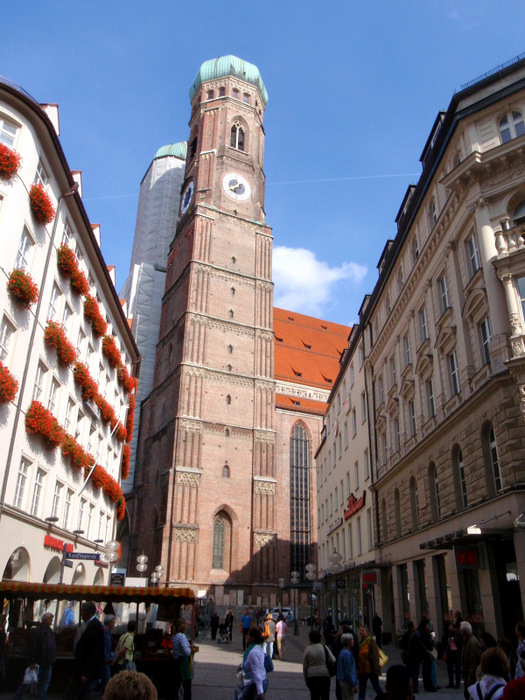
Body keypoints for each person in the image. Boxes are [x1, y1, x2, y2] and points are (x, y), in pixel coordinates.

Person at [64, 601, 105, 700]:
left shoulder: (95, 626)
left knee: (81, 694)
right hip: (81, 669)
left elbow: (94, 652)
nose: (81, 614)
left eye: (82, 611)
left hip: (85, 671)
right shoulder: (88, 625)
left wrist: (87, 673)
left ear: (88, 612)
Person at [15, 612, 55, 699]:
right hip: (39, 661)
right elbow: (34, 647)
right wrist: (32, 661)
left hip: (47, 661)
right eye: (50, 619)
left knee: (44, 683)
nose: (52, 621)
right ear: (46, 620)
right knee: (29, 681)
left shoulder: (49, 631)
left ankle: (41, 697)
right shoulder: (38, 631)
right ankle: (18, 696)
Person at [303, 628, 335, 700]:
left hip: (312, 677)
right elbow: (333, 660)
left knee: (314, 696)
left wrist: (306, 679)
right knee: (325, 696)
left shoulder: (307, 650)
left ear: (310, 639)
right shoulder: (325, 647)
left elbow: (305, 666)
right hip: (324, 676)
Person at [357, 626, 385, 699]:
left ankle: (383, 697)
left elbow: (375, 655)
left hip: (371, 669)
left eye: (363, 630)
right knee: (362, 688)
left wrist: (376, 667)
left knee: (376, 686)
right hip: (362, 670)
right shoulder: (360, 642)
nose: (361, 632)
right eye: (360, 631)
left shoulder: (370, 641)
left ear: (367, 632)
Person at [240, 626, 267, 699]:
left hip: (255, 684)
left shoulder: (253, 653)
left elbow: (256, 672)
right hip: (259, 680)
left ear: (253, 638)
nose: (247, 637)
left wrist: (260, 692)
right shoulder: (257, 648)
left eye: (248, 635)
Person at [172, 617, 195, 700]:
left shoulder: (174, 636)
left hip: (176, 661)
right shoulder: (181, 636)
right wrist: (190, 650)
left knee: (176, 684)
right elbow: (186, 652)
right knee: (187, 686)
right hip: (183, 663)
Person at [460, 621, 482, 700]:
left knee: (472, 693)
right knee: (467, 693)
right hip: (468, 673)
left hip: (471, 674)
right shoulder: (467, 640)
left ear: (464, 631)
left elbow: (474, 661)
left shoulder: (472, 643)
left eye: (461, 630)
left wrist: (470, 675)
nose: (459, 631)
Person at [336, 633, 358, 700]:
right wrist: (353, 685)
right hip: (346, 682)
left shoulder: (343, 652)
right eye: (352, 640)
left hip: (343, 681)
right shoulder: (346, 654)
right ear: (348, 642)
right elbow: (348, 671)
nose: (353, 641)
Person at [444, 620, 462, 689]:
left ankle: (457, 683)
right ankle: (451, 682)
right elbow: (444, 642)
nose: (452, 627)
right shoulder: (446, 634)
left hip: (456, 652)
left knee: (457, 668)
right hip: (450, 653)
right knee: (450, 668)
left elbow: (459, 641)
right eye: (450, 625)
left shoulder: (456, 632)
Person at [101, 615, 116, 691]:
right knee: (106, 680)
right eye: (113, 622)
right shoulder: (104, 631)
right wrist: (107, 658)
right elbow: (103, 646)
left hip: (106, 659)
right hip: (104, 660)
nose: (114, 624)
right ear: (110, 623)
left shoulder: (107, 632)